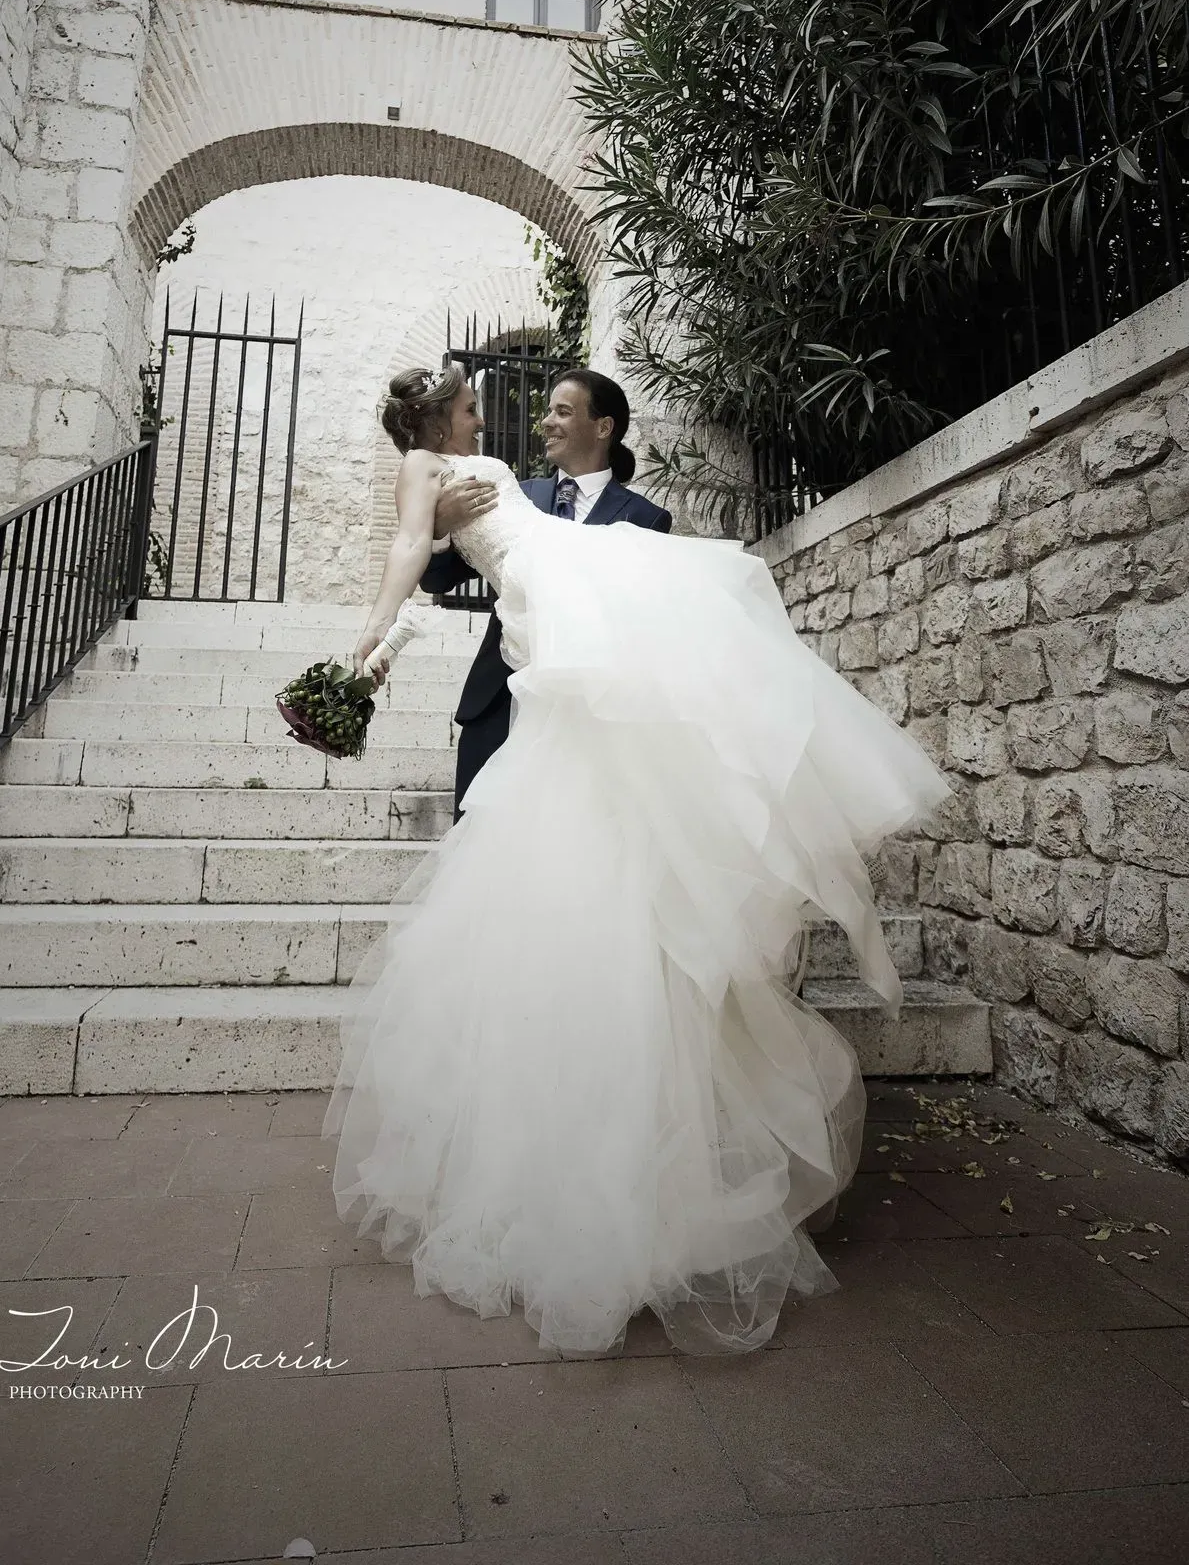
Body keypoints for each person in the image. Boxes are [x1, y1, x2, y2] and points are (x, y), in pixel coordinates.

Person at [321, 362, 953, 1358]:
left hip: (573, 587)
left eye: (560, 409)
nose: (507, 418)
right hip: (546, 615)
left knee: (647, 733)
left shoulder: (545, 487)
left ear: (605, 426)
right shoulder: (439, 471)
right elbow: (418, 549)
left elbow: (460, 536)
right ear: (439, 414)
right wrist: (373, 638)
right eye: (474, 404)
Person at [420, 367, 671, 819]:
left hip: (586, 711)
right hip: (500, 697)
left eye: (562, 411)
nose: (546, 422)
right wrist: (439, 525)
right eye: (547, 411)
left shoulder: (647, 519)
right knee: (477, 847)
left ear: (603, 427)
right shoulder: (510, 492)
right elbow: (436, 580)